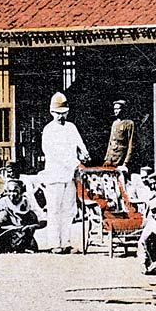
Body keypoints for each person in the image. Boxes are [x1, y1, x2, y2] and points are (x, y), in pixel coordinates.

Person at [40, 92, 89, 254]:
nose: (61, 117)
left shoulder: (71, 127)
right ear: (51, 112)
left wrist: (84, 154)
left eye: (64, 113)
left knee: (69, 209)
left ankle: (66, 242)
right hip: (55, 175)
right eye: (57, 114)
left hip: (70, 176)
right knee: (54, 209)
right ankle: (55, 243)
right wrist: (75, 163)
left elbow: (79, 144)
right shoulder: (48, 130)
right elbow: (53, 154)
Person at [0, 180, 46, 253]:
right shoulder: (2, 202)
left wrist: (32, 226)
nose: (12, 194)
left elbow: (43, 220)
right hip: (7, 236)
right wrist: (2, 227)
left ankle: (25, 246)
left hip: (23, 235)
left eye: (15, 191)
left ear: (22, 191)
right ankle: (6, 247)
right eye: (10, 191)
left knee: (31, 215)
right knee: (2, 214)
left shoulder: (28, 201)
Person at [102, 99, 136, 176]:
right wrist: (107, 159)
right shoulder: (115, 123)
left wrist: (125, 163)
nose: (115, 111)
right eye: (114, 109)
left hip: (120, 159)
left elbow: (131, 144)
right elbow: (110, 142)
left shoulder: (129, 123)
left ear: (123, 110)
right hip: (111, 159)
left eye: (118, 109)